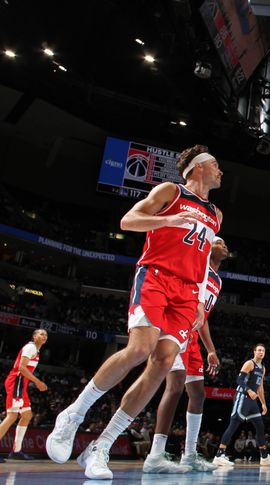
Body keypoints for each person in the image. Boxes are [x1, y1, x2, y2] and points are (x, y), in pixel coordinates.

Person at [45, 145, 223, 480]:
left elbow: (201, 263)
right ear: (197, 169)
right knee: (140, 348)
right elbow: (129, 220)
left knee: (163, 363)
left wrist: (199, 299)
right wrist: (169, 219)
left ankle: (100, 447)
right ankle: (74, 414)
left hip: (187, 294)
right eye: (214, 165)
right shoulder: (170, 191)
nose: (220, 171)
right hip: (156, 276)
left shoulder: (216, 213)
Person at [144, 237, 229, 472]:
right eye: (219, 242)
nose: (224, 246)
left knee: (198, 394)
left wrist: (210, 349)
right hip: (176, 329)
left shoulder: (218, 280)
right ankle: (156, 454)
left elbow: (203, 318)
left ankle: (189, 454)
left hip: (193, 339)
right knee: (174, 387)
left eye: (225, 245)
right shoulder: (197, 266)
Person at [212, 344, 270, 467]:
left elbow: (260, 387)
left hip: (253, 402)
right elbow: (239, 380)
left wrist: (263, 403)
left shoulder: (262, 368)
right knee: (234, 424)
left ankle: (264, 457)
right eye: (259, 350)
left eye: (263, 350)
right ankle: (219, 455)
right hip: (242, 396)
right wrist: (248, 390)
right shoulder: (250, 363)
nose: (261, 352)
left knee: (260, 426)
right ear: (254, 352)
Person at [0, 329, 48, 461]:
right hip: (16, 382)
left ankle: (16, 450)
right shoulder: (30, 347)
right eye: (41, 334)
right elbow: (21, 367)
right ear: (34, 336)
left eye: (46, 335)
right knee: (12, 416)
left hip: (21, 385)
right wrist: (38, 382)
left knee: (27, 415)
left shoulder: (36, 350)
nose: (44, 336)